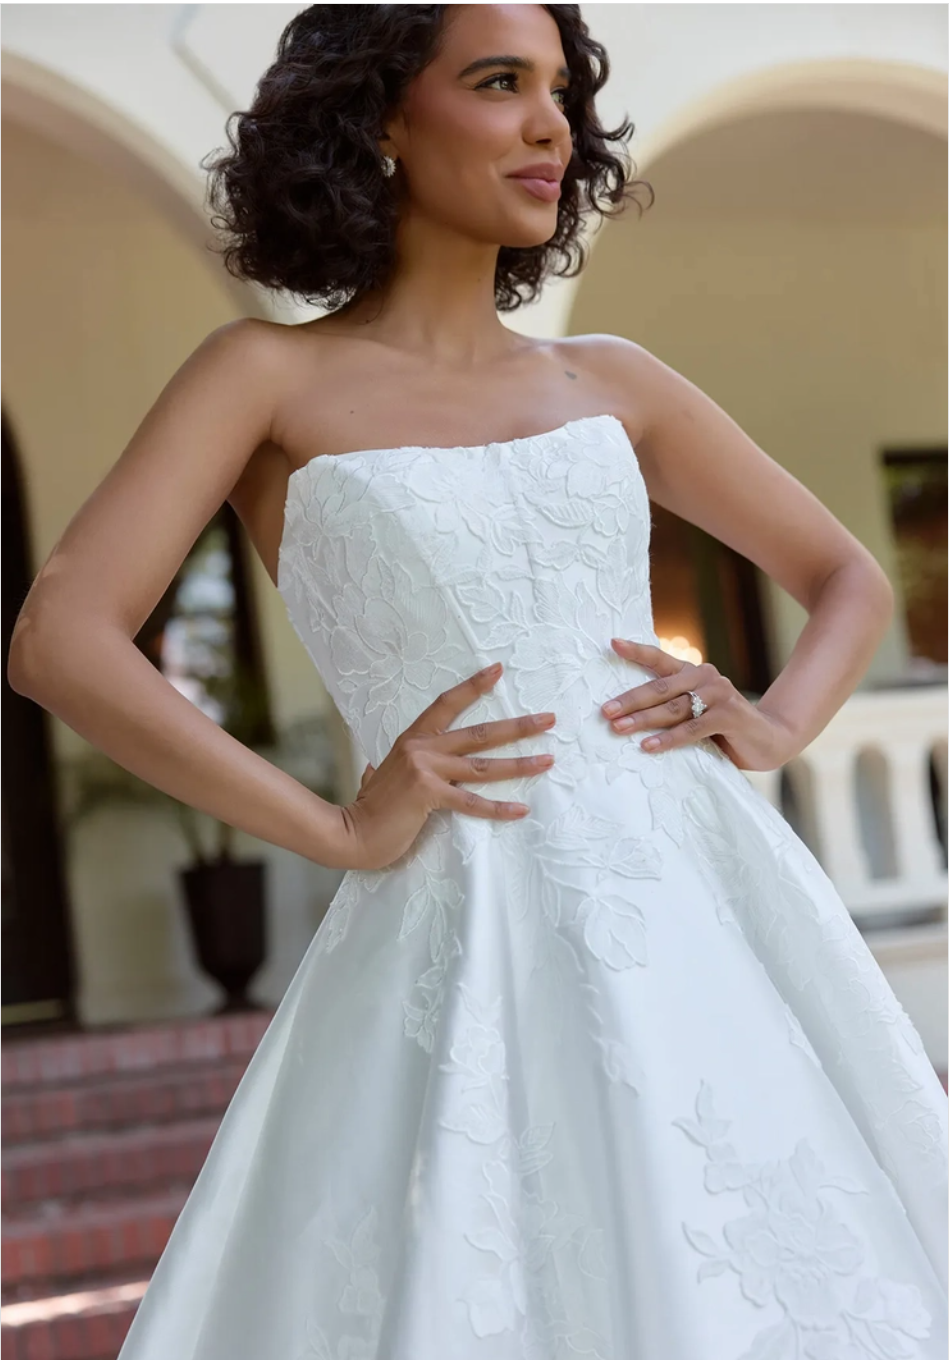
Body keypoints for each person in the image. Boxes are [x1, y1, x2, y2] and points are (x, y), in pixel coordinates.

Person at [8, 5, 947, 1357]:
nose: (551, 123)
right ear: (381, 117)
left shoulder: (612, 378)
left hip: (699, 900)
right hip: (466, 905)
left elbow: (851, 576)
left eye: (562, 90)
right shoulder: (263, 376)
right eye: (500, 83)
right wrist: (335, 827)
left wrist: (774, 720)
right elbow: (61, 637)